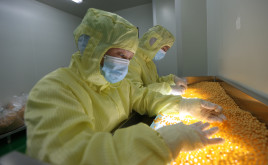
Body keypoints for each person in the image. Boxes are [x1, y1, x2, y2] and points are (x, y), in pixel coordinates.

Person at [24, 8, 226, 165]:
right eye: (121, 55)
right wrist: (164, 141)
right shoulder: (53, 90)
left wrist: (187, 107)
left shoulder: (119, 85)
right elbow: (75, 155)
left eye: (129, 58)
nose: (125, 64)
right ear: (94, 50)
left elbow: (145, 97)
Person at [126, 25, 187, 96]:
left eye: (166, 50)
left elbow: (155, 82)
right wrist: (168, 89)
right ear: (153, 43)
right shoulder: (132, 59)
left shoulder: (149, 62)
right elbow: (136, 92)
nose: (164, 53)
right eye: (163, 49)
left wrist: (172, 79)